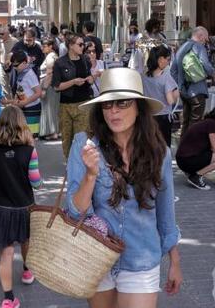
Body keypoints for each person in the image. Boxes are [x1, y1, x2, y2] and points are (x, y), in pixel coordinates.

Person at [66, 68, 182, 305]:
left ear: (139, 107)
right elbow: (76, 211)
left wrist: (175, 262)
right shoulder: (85, 145)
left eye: (123, 103)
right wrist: (90, 175)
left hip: (141, 256)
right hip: (98, 256)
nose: (114, 111)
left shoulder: (159, 153)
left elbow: (165, 211)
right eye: (107, 105)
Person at [0, 106, 42, 308]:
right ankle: (27, 270)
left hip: (3, 208)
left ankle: (8, 299)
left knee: (5, 253)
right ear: (22, 126)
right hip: (26, 207)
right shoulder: (29, 151)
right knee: (26, 240)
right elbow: (36, 183)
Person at [175, 104, 215, 189]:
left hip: (184, 159)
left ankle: (194, 173)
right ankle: (196, 176)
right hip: (187, 160)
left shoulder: (208, 122)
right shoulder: (211, 123)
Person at [52, 33, 94, 159]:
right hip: (66, 105)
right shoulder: (60, 63)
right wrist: (73, 82)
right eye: (80, 44)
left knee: (82, 138)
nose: (83, 47)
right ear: (70, 46)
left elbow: (89, 76)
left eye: (84, 44)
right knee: (67, 138)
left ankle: (80, 165)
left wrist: (91, 79)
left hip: (83, 104)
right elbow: (56, 86)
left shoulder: (85, 60)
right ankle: (69, 164)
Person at [171, 26, 215, 132]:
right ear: (200, 36)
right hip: (197, 90)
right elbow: (205, 64)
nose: (206, 42)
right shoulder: (199, 47)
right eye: (206, 39)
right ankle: (192, 146)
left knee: (185, 122)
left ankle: (183, 146)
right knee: (195, 123)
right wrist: (214, 74)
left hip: (184, 91)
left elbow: (173, 70)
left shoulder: (182, 48)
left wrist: (180, 86)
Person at [141, 45, 179, 147]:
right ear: (161, 59)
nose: (168, 62)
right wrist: (176, 94)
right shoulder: (165, 77)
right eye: (168, 59)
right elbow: (170, 100)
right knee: (164, 149)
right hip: (163, 117)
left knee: (150, 147)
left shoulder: (144, 76)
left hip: (148, 116)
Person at [8, 51, 42, 137]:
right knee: (24, 134)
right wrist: (17, 100)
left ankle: (32, 150)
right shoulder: (22, 72)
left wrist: (24, 102)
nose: (14, 68)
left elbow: (38, 92)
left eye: (16, 65)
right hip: (24, 106)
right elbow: (21, 88)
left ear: (24, 62)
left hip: (32, 108)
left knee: (31, 135)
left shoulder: (30, 74)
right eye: (13, 65)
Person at [39, 38, 60, 140]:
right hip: (52, 86)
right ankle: (54, 131)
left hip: (49, 87)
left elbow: (49, 73)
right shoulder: (53, 55)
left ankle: (52, 132)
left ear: (50, 46)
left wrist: (44, 88)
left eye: (44, 46)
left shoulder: (50, 56)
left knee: (49, 109)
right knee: (52, 109)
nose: (42, 48)